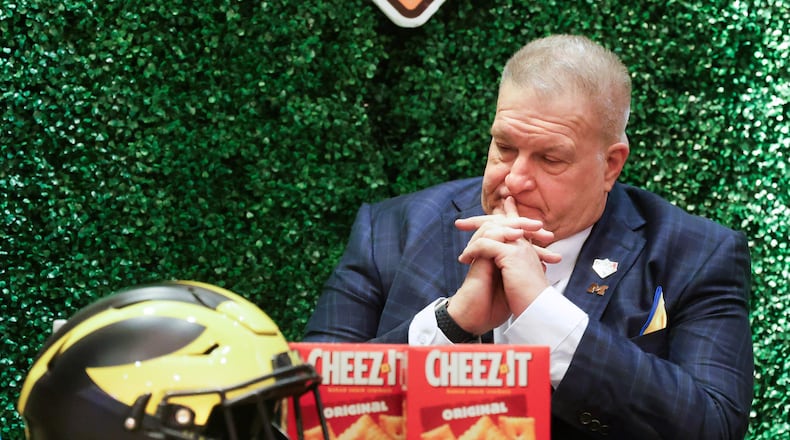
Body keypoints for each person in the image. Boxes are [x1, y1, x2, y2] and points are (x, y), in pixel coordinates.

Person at [303, 34, 753, 439]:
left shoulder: (697, 254)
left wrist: (544, 314)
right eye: (504, 147)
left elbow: (713, 425)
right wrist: (451, 325)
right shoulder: (392, 228)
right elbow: (305, 412)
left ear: (611, 166)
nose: (515, 180)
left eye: (550, 159)